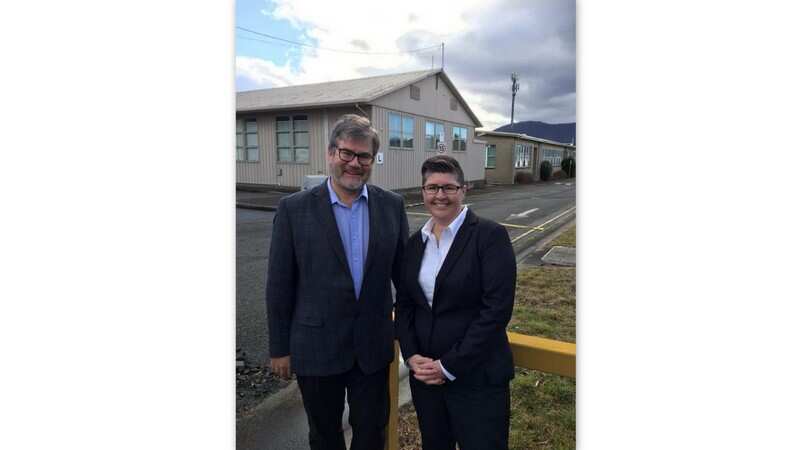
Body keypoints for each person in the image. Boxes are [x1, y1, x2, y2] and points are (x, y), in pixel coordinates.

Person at [266, 114, 409, 450]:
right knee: (324, 435)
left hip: (373, 347)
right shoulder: (293, 210)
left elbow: (405, 279)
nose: (354, 163)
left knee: (371, 432)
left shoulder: (392, 206)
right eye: (347, 153)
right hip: (315, 346)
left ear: (373, 160)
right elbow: (279, 284)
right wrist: (279, 348)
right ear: (331, 154)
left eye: (363, 156)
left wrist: (410, 331)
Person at [395, 155, 516, 450]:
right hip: (426, 381)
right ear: (422, 192)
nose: (440, 195)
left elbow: (496, 310)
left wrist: (449, 365)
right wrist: (411, 356)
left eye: (448, 187)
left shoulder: (490, 236)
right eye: (432, 187)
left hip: (477, 378)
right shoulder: (415, 244)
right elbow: (406, 305)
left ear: (464, 189)